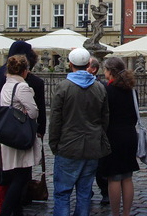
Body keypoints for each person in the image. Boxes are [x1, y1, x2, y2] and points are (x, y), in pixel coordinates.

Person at [49, 48, 110, 216]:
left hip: (68, 145)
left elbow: (55, 119)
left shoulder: (63, 87)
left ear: (70, 64)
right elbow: (105, 118)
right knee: (84, 192)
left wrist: (54, 144)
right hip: (92, 145)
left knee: (62, 192)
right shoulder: (99, 87)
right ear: (87, 65)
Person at [0, 41, 47, 215]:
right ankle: (11, 208)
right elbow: (34, 111)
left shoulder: (2, 77)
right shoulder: (27, 83)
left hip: (4, 128)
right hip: (22, 132)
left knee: (6, 172)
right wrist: (40, 129)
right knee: (22, 173)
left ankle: (10, 208)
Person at [100, 57, 140, 216]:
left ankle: (116, 213)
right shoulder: (131, 90)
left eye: (105, 70)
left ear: (110, 71)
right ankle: (127, 213)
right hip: (130, 135)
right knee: (127, 177)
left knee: (114, 178)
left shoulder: (107, 91)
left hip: (113, 136)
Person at [87, 56, 109, 206]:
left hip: (96, 131)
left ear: (94, 69)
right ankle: (87, 191)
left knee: (100, 167)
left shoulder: (101, 87)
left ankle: (105, 192)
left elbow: (106, 112)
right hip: (87, 132)